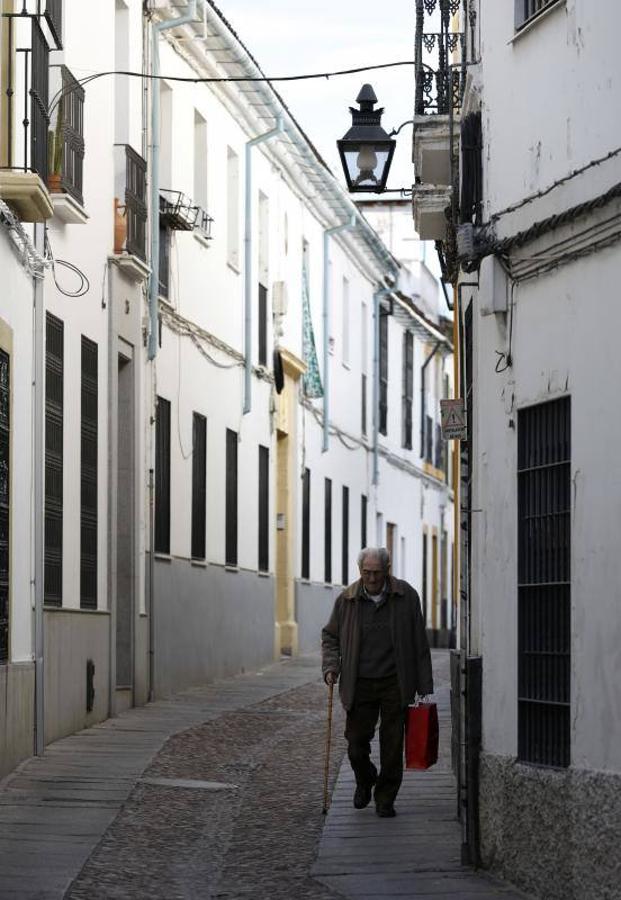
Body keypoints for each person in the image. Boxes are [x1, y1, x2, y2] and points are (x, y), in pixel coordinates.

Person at [321, 547, 433, 818]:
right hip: (359, 683)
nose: (371, 579)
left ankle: (385, 798)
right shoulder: (347, 600)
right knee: (356, 743)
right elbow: (330, 637)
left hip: (396, 681)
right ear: (360, 571)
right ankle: (365, 778)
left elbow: (419, 641)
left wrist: (424, 684)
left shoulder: (406, 596)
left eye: (376, 573)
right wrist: (331, 667)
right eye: (366, 573)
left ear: (387, 570)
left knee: (393, 744)